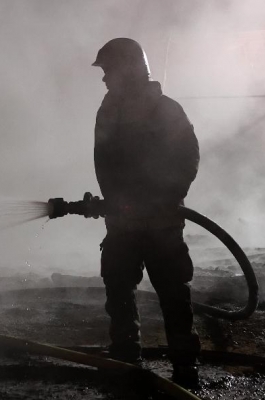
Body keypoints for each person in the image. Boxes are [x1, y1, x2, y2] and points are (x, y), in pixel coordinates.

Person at [92, 38, 201, 387]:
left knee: (173, 295)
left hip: (160, 223)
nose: (105, 78)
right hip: (123, 222)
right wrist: (114, 202)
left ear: (129, 69)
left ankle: (185, 369)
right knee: (119, 288)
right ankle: (126, 359)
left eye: (109, 70)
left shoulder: (167, 110)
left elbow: (188, 158)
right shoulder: (108, 110)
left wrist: (166, 197)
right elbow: (104, 162)